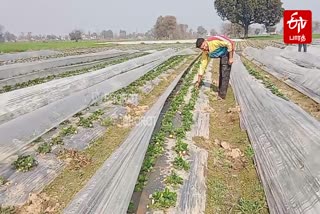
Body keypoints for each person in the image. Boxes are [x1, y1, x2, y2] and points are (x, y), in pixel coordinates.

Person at [195, 35, 235, 99]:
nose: (204, 48)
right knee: (221, 72)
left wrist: (230, 58)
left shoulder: (214, 42)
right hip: (222, 53)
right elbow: (202, 66)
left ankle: (222, 95)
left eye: (204, 46)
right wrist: (198, 81)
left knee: (225, 73)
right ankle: (220, 90)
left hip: (228, 50)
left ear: (205, 41)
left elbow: (229, 44)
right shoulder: (205, 52)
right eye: (202, 48)